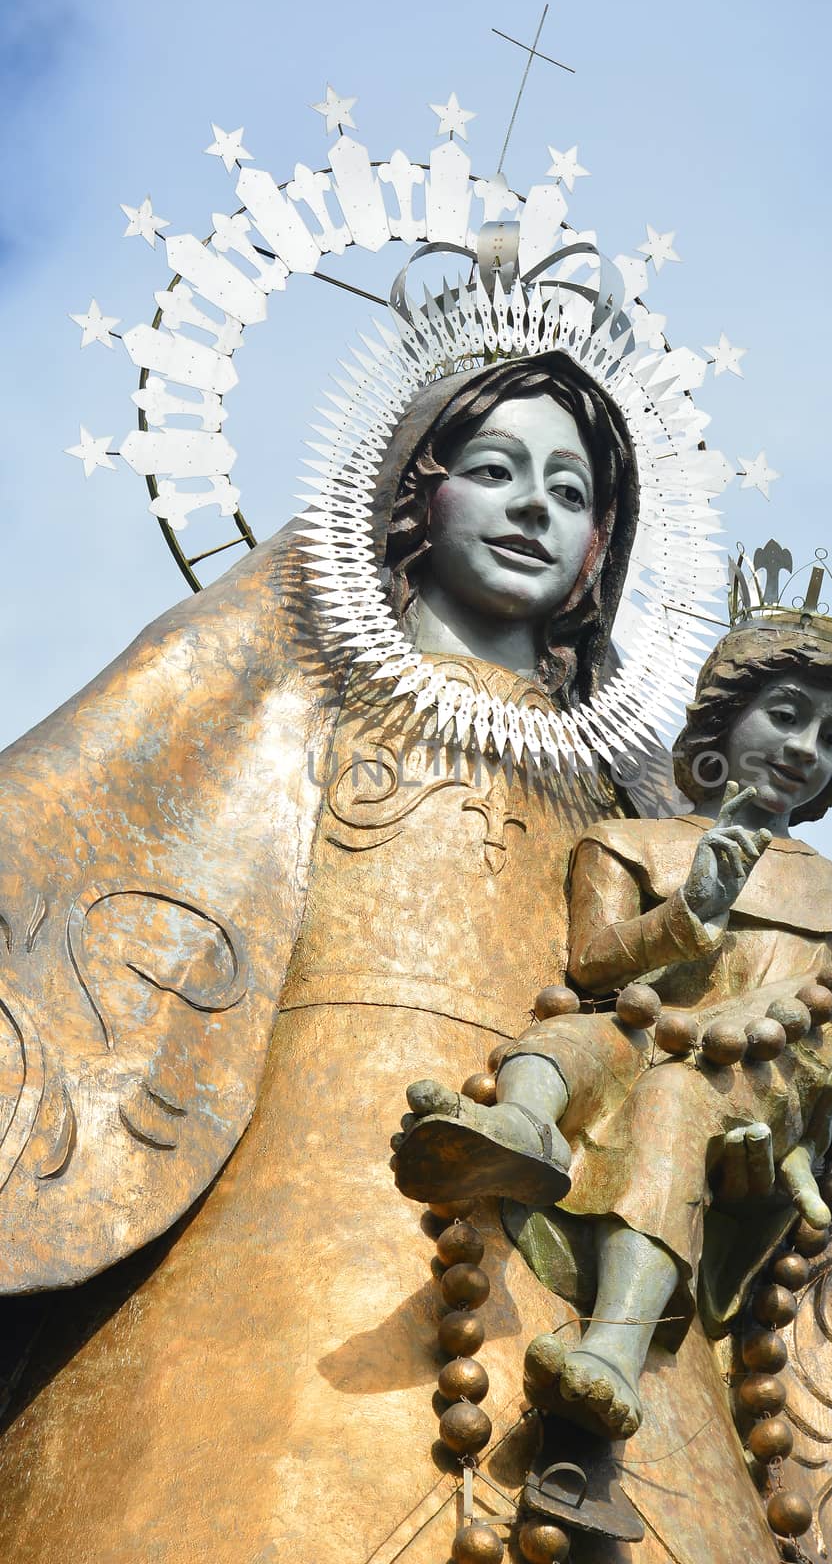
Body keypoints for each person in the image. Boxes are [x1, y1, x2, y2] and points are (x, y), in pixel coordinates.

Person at [0, 351, 647, 1561]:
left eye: (566, 493)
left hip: (560, 1209)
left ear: (598, 548)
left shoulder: (622, 789)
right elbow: (72, 816)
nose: (530, 509)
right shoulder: (284, 678)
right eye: (496, 470)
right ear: (418, 491)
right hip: (288, 1150)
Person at [393, 609, 832, 1442]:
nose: (806, 747)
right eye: (785, 714)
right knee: (567, 1039)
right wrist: (694, 906)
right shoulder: (627, 842)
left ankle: (614, 1351)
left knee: (672, 1104)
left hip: (766, 1062)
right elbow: (592, 966)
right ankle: (519, 1132)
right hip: (649, 1025)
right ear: (721, 720)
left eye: (831, 736)